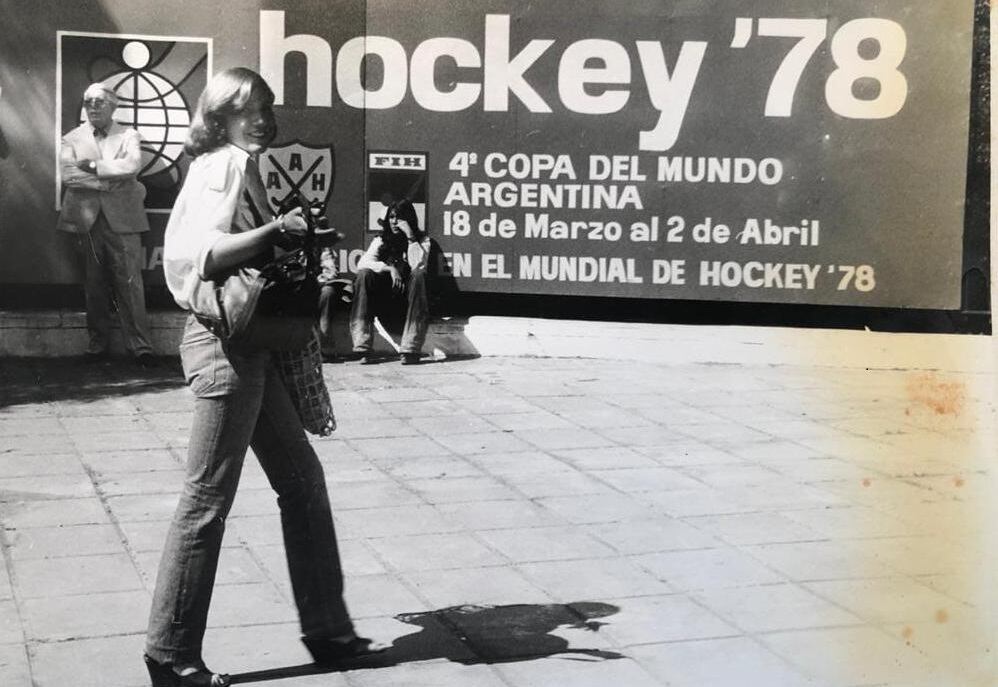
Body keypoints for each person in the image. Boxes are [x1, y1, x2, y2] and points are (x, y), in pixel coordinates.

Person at [146, 67, 384, 687]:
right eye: (246, 108)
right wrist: (278, 231)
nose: (261, 118)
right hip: (225, 348)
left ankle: (329, 631)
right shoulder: (224, 164)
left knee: (302, 481)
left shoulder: (237, 166)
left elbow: (238, 254)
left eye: (266, 106)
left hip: (247, 349)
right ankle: (170, 655)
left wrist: (288, 241)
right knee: (206, 500)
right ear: (218, 116)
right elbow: (206, 256)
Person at [57, 81, 156, 366]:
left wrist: (92, 167)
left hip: (124, 218)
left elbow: (131, 166)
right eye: (88, 101)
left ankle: (141, 348)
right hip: (87, 221)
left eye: (100, 101)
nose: (93, 106)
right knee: (94, 283)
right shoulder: (71, 138)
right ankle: (97, 344)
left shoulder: (129, 135)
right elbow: (68, 176)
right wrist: (110, 183)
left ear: (113, 105)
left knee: (130, 282)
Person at [349, 199, 432, 365]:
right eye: (392, 217)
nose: (395, 222)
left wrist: (410, 237)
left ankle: (410, 349)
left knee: (418, 275)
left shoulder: (423, 241)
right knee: (365, 274)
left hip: (409, 306)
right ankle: (363, 346)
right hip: (386, 303)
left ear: (409, 219)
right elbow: (362, 263)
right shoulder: (381, 240)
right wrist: (390, 269)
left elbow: (418, 264)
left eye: (400, 218)